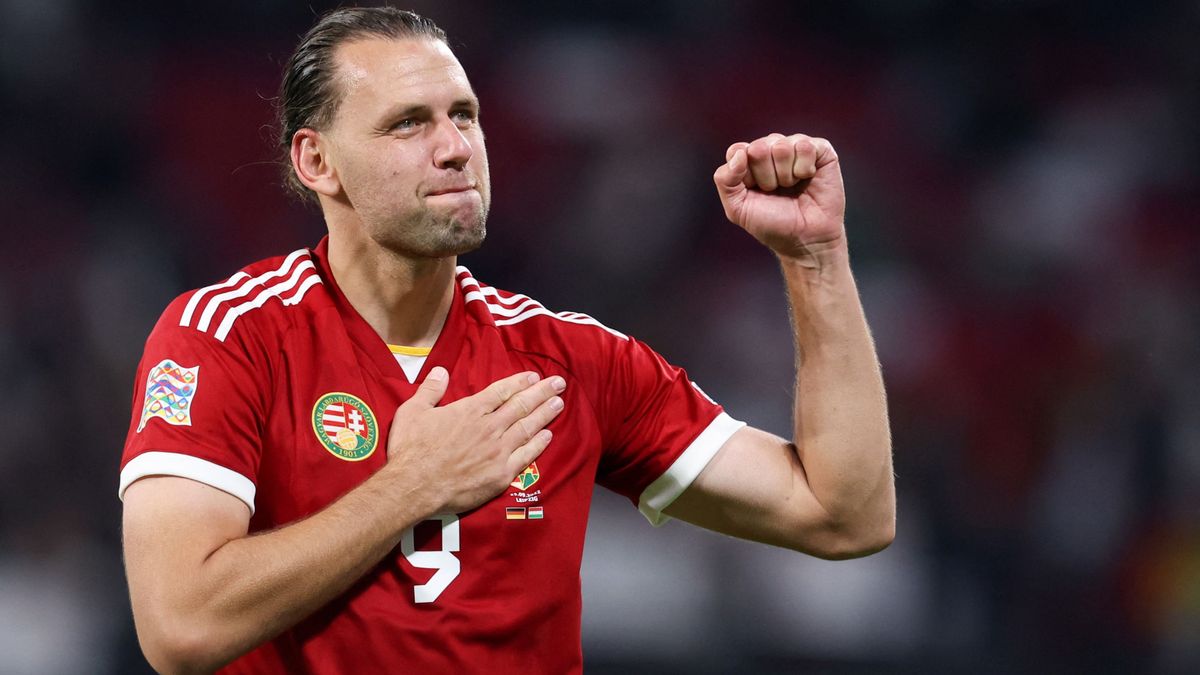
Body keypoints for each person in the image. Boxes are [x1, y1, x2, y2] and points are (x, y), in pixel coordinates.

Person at [119, 6, 895, 674]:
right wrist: (410, 488)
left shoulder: (570, 362)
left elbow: (844, 514)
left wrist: (816, 259)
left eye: (464, 115)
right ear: (317, 160)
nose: (455, 147)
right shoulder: (227, 338)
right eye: (408, 123)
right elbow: (179, 626)